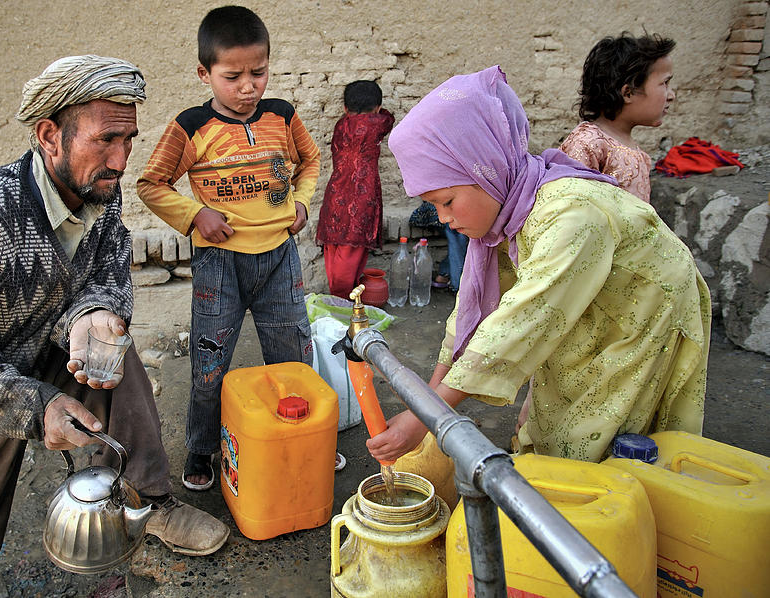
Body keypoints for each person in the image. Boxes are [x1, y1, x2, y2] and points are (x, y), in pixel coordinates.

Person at [0, 55, 229, 598]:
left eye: (129, 140)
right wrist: (38, 407)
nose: (120, 160)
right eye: (106, 140)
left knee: (116, 356)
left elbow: (108, 273)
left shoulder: (100, 195)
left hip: (35, 355)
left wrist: (95, 316)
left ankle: (145, 502)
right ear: (49, 136)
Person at [368, 66, 711, 464]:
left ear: (488, 169)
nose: (443, 218)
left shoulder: (571, 215)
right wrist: (427, 406)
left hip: (645, 317)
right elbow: (472, 313)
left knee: (596, 436)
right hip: (592, 312)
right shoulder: (510, 213)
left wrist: (426, 419)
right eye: (433, 206)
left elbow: (520, 319)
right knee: (554, 408)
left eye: (447, 201)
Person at [137, 6, 321, 490]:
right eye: (232, 76)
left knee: (293, 354)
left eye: (258, 73)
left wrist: (301, 202)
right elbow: (152, 184)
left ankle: (302, 437)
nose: (248, 87)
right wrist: (195, 214)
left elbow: (310, 161)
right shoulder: (191, 125)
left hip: (280, 257)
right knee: (210, 360)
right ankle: (202, 448)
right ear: (205, 73)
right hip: (219, 264)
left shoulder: (282, 116)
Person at [560, 32, 676, 202]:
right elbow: (569, 207)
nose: (671, 95)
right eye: (664, 83)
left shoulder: (637, 152)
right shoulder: (588, 142)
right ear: (628, 93)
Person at [315, 80, 395, 298]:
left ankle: (339, 298)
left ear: (344, 109)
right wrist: (378, 110)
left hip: (336, 193)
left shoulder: (341, 124)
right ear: (377, 108)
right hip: (361, 196)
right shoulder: (377, 124)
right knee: (352, 251)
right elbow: (389, 118)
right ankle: (343, 301)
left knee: (335, 248)